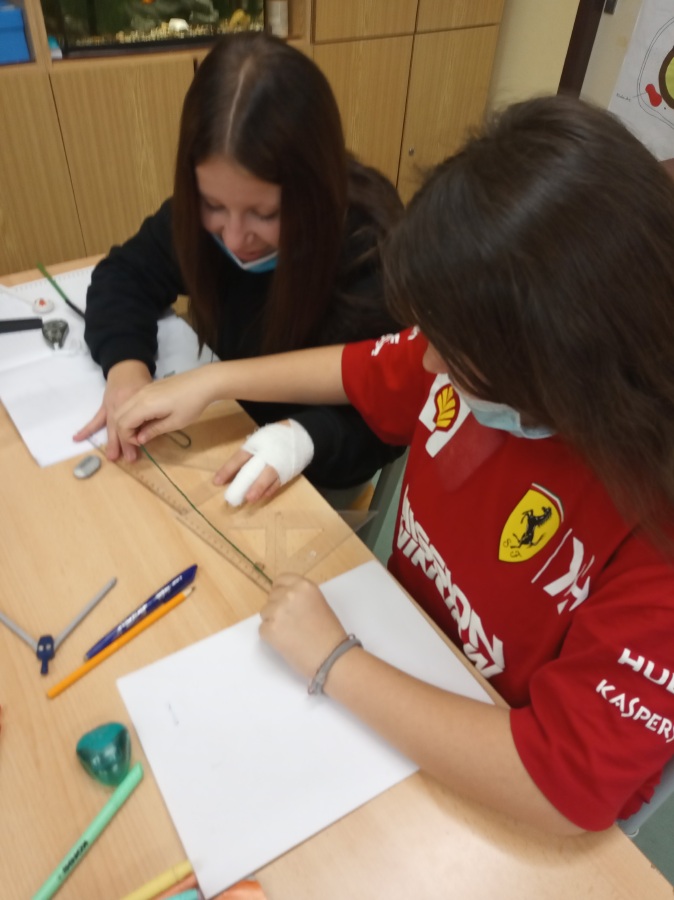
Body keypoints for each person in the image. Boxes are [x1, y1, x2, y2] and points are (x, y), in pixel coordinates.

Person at [112, 95, 674, 833]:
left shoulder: (652, 528)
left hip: (492, 775)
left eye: (454, 353)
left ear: (559, 365)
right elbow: (360, 368)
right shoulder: (491, 351)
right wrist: (215, 382)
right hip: (405, 656)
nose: (430, 361)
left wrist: (335, 661)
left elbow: (559, 782)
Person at [75, 31, 404, 498]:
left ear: (313, 190)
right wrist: (127, 368)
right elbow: (125, 273)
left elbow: (388, 413)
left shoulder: (370, 252)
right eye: (212, 204)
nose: (233, 237)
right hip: (226, 429)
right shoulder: (204, 217)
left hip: (313, 475)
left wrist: (301, 438)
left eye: (264, 214)